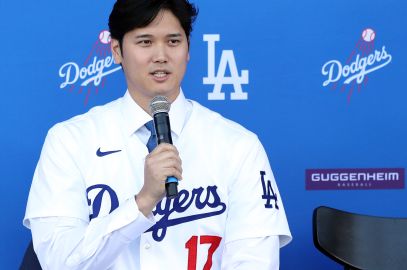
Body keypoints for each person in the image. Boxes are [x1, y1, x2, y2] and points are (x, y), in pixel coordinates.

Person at [23, 0, 291, 269]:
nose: (161, 55)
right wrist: (143, 201)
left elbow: (255, 261)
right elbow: (59, 262)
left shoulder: (238, 145)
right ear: (117, 50)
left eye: (173, 42)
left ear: (188, 48)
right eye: (145, 42)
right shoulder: (69, 141)